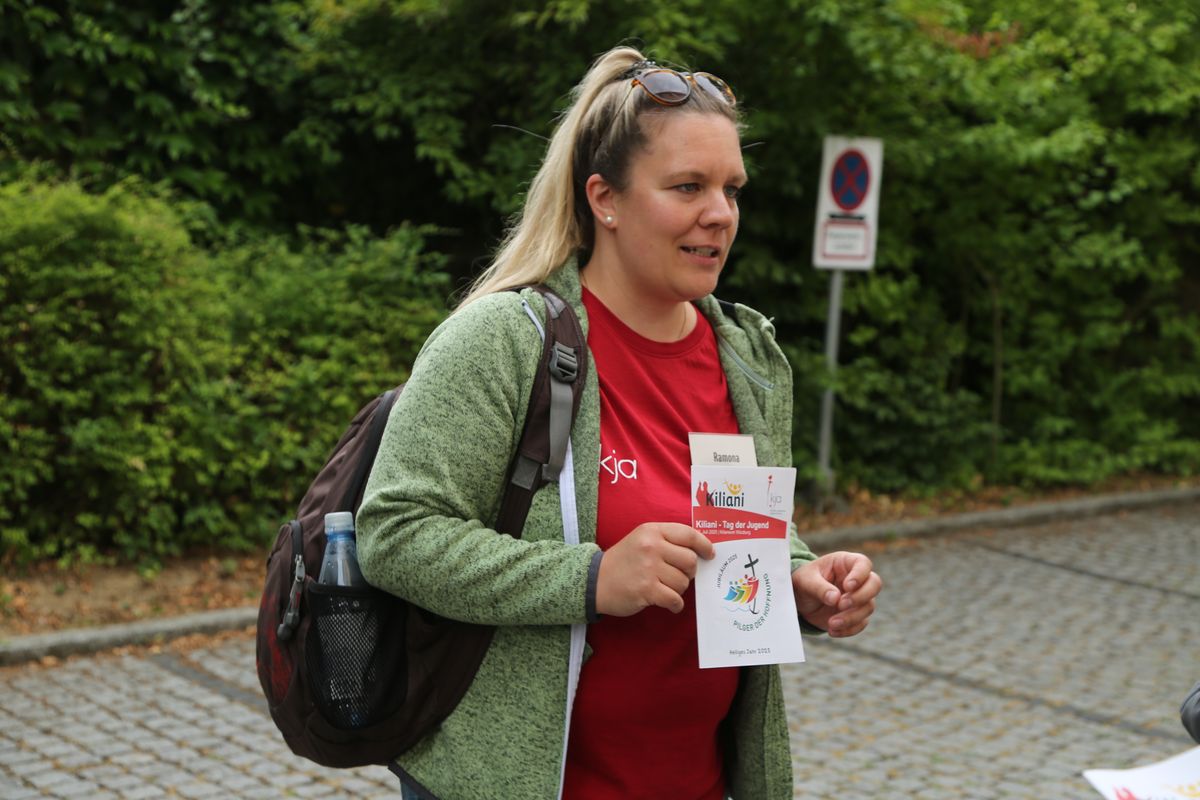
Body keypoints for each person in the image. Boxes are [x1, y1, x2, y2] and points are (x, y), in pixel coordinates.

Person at [356, 44, 884, 800]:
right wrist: (594, 576)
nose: (721, 214)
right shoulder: (504, 340)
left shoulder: (747, 356)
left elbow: (739, 525)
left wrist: (800, 577)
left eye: (731, 188)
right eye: (688, 186)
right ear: (603, 198)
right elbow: (396, 534)